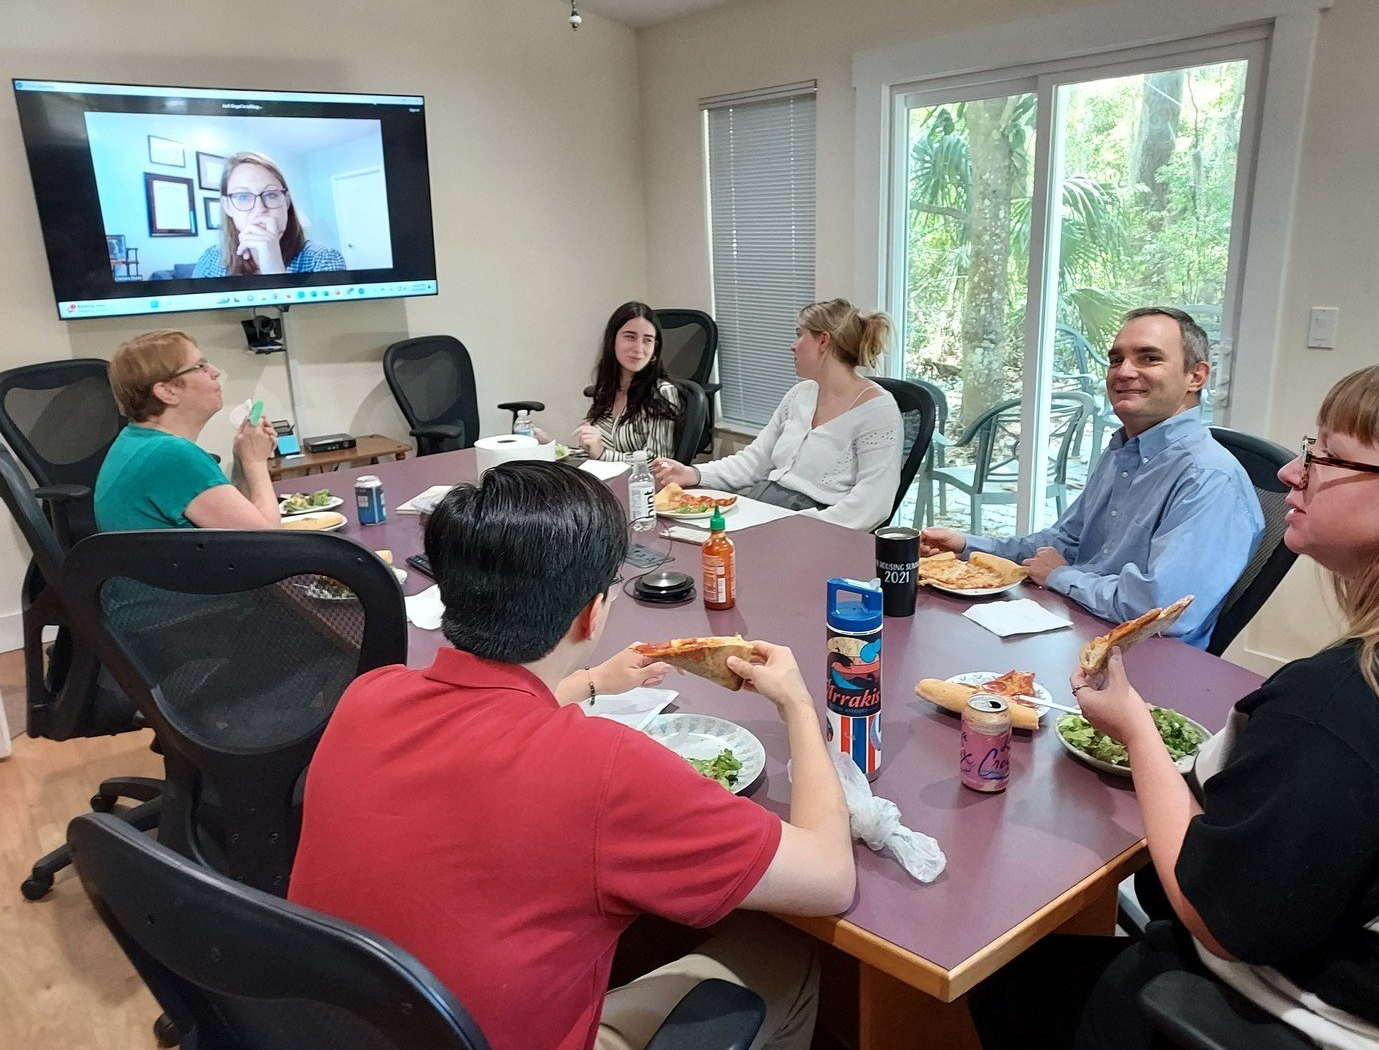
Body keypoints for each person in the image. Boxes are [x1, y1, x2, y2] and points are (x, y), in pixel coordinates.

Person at [287, 461, 855, 1050]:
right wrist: (799, 707)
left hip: (349, 1028)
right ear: (594, 612)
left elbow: (483, 724)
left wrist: (586, 682)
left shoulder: (367, 697)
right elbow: (829, 878)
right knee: (786, 951)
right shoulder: (607, 769)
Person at [969, 359, 1379, 1050]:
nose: (1290, 473)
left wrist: (1134, 729)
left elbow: (1217, 915)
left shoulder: (1343, 704)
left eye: (1327, 457)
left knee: (996, 968)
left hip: (1286, 1017)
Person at [920, 307, 1263, 647]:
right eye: (1116, 360)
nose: (1124, 372)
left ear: (1196, 376)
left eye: (1148, 358)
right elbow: (1065, 543)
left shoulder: (1210, 478)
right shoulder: (1123, 450)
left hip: (1145, 663)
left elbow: (1162, 610)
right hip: (1078, 628)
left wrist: (1061, 576)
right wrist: (967, 546)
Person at [651, 298, 902, 532]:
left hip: (813, 525)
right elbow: (756, 460)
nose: (792, 346)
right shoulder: (800, 394)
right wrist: (693, 473)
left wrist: (792, 527)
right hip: (763, 506)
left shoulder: (878, 411)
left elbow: (872, 505)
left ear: (824, 341)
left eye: (799, 335)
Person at [94, 330, 281, 530]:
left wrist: (243, 459)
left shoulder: (135, 441)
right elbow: (271, 545)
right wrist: (256, 462)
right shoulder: (171, 456)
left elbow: (235, 517)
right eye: (200, 366)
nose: (215, 371)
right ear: (167, 391)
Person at [535, 301, 685, 461]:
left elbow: (659, 463)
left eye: (647, 340)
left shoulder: (662, 392)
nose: (639, 348)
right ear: (612, 341)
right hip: (602, 481)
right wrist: (551, 448)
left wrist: (602, 454)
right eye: (630, 337)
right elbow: (591, 453)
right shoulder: (607, 390)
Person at [192, 151, 346, 277]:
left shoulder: (324, 259)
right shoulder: (211, 259)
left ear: (286, 201)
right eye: (243, 196)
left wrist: (274, 270)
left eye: (271, 195)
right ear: (227, 207)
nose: (260, 208)